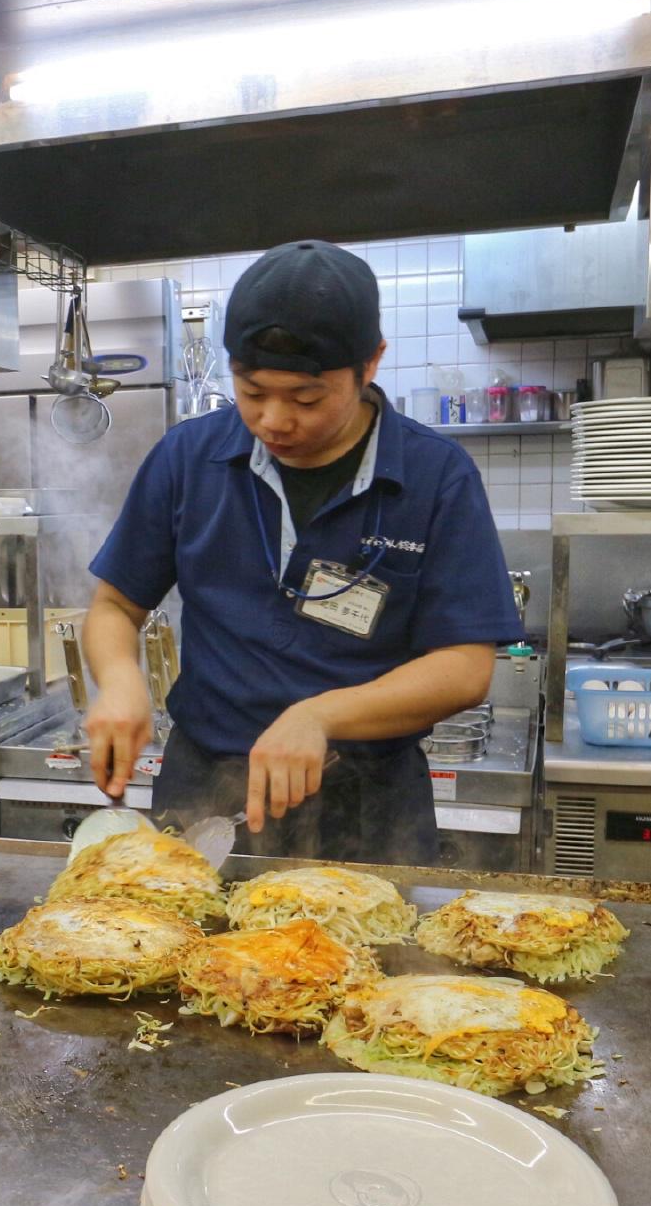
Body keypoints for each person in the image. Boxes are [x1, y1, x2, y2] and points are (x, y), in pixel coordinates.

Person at [81, 239, 523, 865]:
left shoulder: (434, 476)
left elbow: (464, 666)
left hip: (367, 804)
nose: (273, 420)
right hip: (205, 791)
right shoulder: (189, 459)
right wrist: (122, 683)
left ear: (370, 364)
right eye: (251, 389)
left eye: (306, 399)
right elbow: (114, 607)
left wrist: (320, 716)